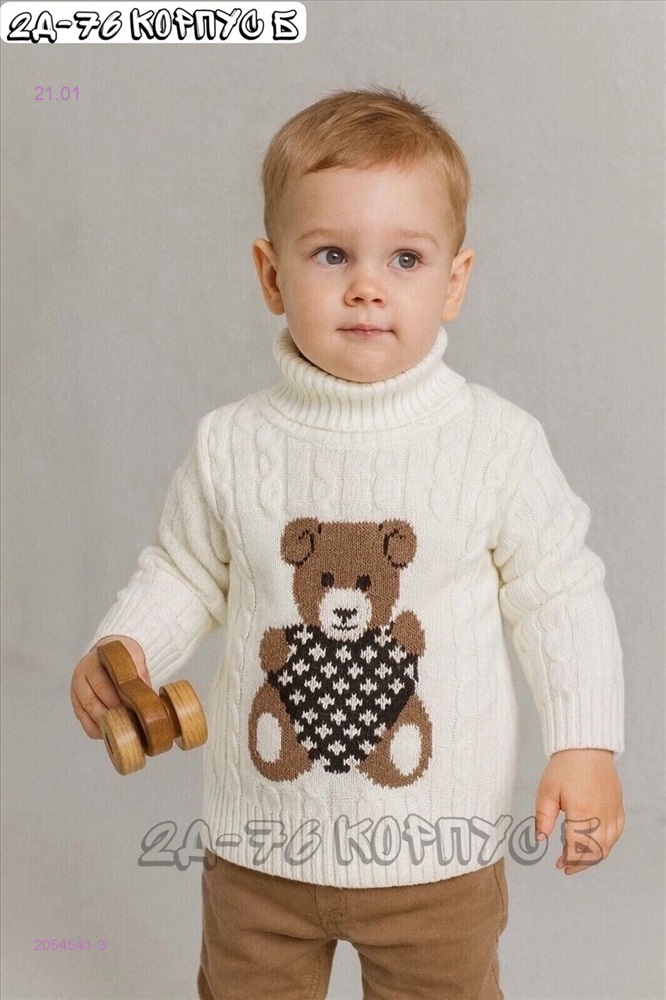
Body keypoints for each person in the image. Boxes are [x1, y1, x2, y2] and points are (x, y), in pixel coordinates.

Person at [70, 85, 625, 1000]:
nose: (368, 286)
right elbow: (185, 570)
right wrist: (127, 649)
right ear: (270, 275)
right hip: (260, 850)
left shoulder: (495, 444)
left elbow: (558, 592)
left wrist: (585, 743)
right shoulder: (232, 444)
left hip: (435, 856)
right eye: (332, 254)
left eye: (406, 258)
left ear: (454, 281)